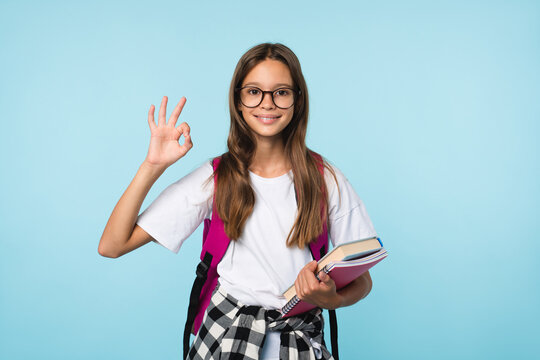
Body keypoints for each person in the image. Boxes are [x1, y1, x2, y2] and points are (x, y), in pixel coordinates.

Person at [98, 42, 378, 360]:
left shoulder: (326, 179)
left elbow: (363, 279)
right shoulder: (214, 178)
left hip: (300, 341)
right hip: (224, 338)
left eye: (281, 92)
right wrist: (152, 167)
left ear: (298, 101)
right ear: (239, 101)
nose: (267, 103)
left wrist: (332, 300)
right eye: (254, 91)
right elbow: (112, 245)